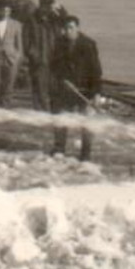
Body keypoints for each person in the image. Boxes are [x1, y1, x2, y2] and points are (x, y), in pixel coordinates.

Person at [49, 15, 103, 161]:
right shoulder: (59, 43)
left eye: (71, 28)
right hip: (66, 89)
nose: (67, 31)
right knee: (61, 118)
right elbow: (53, 65)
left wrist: (96, 93)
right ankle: (59, 148)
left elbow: (96, 71)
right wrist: (62, 79)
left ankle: (85, 154)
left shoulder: (88, 44)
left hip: (85, 90)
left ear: (77, 28)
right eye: (65, 28)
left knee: (86, 123)